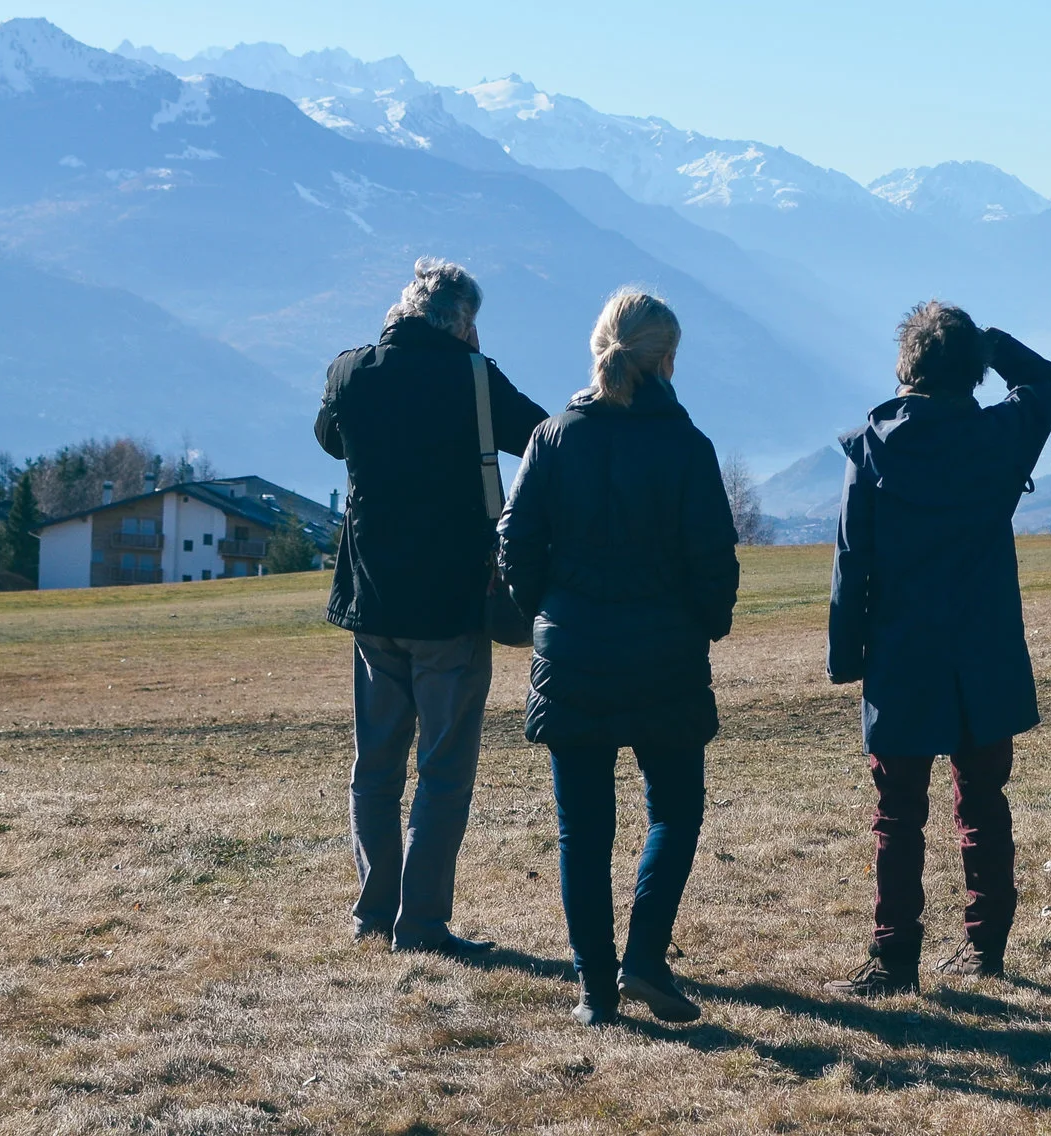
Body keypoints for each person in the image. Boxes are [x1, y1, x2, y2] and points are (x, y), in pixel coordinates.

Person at [500, 289, 740, 1026]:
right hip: (666, 653)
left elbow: (515, 540)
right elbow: (713, 558)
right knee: (675, 810)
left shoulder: (552, 437)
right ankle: (644, 956)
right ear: (668, 359)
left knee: (582, 832)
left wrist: (547, 611)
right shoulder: (687, 446)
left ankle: (595, 991)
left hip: (571, 653)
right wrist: (709, 622)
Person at [823, 302, 1051, 996]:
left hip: (900, 652)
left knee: (897, 812)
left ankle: (893, 957)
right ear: (972, 370)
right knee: (983, 801)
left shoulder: (871, 450)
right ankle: (985, 947)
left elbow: (851, 561)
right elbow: (1048, 383)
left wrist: (847, 656)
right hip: (985, 649)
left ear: (906, 366)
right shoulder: (999, 436)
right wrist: (994, 344)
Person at [317, 258, 549, 956]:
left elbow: (329, 439)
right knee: (442, 772)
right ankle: (419, 923)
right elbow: (543, 440)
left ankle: (373, 911)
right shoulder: (473, 378)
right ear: (464, 321)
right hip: (451, 605)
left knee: (375, 767)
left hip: (371, 602)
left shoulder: (350, 371)